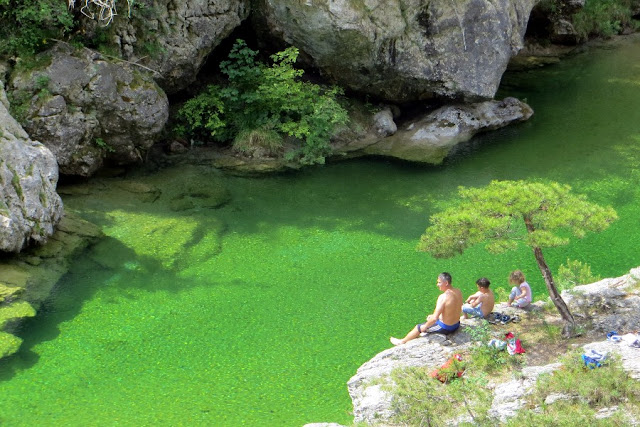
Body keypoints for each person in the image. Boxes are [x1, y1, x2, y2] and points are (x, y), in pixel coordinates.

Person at [390, 272, 463, 346]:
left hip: (447, 328)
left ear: (446, 283)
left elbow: (434, 318)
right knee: (430, 318)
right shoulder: (458, 291)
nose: (437, 285)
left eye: (439, 282)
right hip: (456, 324)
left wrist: (424, 327)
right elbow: (452, 310)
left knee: (418, 327)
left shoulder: (443, 297)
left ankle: (402, 341)